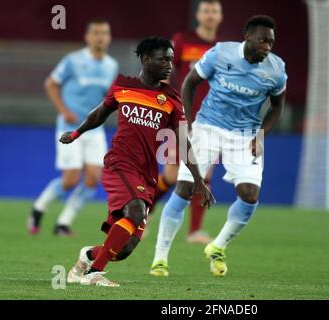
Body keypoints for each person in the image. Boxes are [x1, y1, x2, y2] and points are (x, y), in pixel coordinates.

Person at [61, 37, 214, 287]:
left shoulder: (173, 100)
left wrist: (199, 180)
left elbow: (185, 142)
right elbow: (100, 113)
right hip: (119, 164)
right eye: (163, 59)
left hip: (146, 174)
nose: (169, 65)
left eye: (171, 60)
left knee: (124, 247)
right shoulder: (123, 85)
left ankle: (87, 258)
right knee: (135, 211)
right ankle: (92, 274)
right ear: (146, 59)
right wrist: (77, 133)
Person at [150, 15, 287, 277]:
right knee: (184, 188)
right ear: (247, 37)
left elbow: (277, 106)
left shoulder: (276, 69)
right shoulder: (221, 54)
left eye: (270, 42)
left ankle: (218, 246)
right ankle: (160, 258)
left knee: (249, 196)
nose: (267, 47)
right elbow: (190, 82)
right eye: (262, 41)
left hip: (245, 134)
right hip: (208, 127)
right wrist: (189, 122)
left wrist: (260, 135)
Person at [27, 18, 118, 236]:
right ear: (87, 37)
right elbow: (50, 83)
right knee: (70, 179)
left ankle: (63, 224)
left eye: (104, 33)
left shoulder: (111, 65)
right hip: (69, 127)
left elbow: (108, 98)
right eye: (96, 33)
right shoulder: (72, 60)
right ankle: (39, 208)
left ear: (109, 38)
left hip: (94, 129)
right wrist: (63, 109)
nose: (100, 37)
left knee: (93, 178)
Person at [152, 0, 223, 244]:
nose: (210, 15)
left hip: (211, 121)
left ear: (220, 16)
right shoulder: (182, 41)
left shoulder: (223, 49)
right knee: (171, 175)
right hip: (181, 117)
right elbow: (165, 74)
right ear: (198, 14)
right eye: (206, 10)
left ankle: (194, 231)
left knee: (203, 175)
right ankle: (144, 213)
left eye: (214, 10)